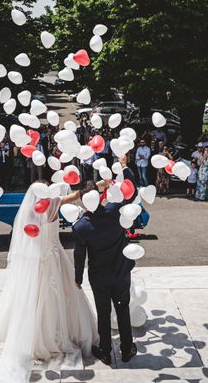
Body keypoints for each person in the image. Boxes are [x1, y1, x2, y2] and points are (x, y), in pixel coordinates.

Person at [0, 181, 97, 382]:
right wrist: (95, 185)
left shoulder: (31, 212)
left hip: (40, 259)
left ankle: (35, 336)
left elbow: (26, 238)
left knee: (35, 299)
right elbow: (75, 196)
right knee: (60, 298)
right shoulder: (55, 203)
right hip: (55, 258)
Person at [72, 157, 138, 367]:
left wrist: (78, 278)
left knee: (103, 313)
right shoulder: (115, 211)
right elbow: (132, 191)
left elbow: (79, 255)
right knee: (123, 310)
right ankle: (127, 350)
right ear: (100, 196)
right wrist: (125, 166)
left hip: (99, 277)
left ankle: (106, 351)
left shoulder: (80, 226)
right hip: (121, 273)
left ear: (84, 201)